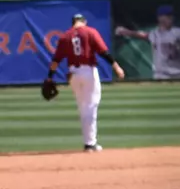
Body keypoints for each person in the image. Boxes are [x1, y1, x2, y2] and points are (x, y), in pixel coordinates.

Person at [46, 13, 124, 151]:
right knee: (91, 106)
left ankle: (89, 141)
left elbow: (56, 60)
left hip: (73, 75)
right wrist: (116, 67)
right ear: (84, 22)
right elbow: (104, 52)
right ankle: (90, 143)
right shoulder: (90, 32)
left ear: (73, 23)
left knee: (83, 107)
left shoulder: (65, 36)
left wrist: (50, 77)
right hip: (88, 71)